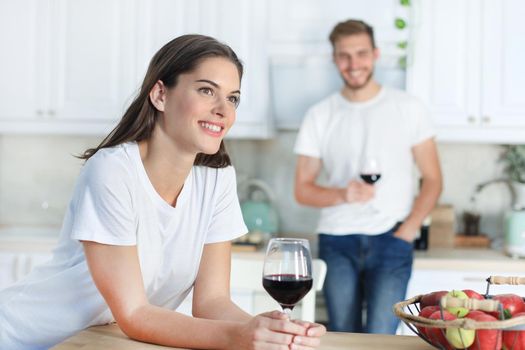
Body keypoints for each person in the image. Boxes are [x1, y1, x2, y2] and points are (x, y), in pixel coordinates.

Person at [0, 34, 325, 350]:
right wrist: (238, 338)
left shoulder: (216, 178)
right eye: (206, 90)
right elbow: (134, 313)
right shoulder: (113, 171)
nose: (223, 110)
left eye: (232, 98)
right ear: (160, 95)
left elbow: (212, 303)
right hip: (28, 338)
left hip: (99, 343)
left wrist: (266, 334)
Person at [293, 20, 442, 334]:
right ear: (335, 60)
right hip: (337, 239)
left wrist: (409, 228)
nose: (353, 64)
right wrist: (342, 195)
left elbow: (432, 179)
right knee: (343, 333)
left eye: (361, 53)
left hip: (393, 238)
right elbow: (302, 190)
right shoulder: (320, 115)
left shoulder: (408, 108)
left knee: (381, 335)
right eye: (344, 56)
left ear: (375, 54)